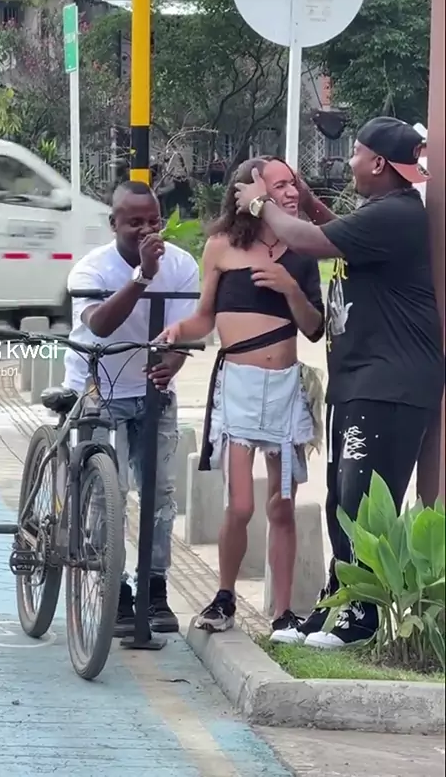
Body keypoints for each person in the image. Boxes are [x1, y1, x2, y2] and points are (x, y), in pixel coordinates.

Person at [235, 117, 444, 648]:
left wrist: (261, 206)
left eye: (355, 153)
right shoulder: (382, 213)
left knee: (363, 501)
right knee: (341, 501)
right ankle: (339, 606)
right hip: (359, 380)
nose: (348, 162)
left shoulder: (398, 214)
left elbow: (310, 241)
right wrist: (308, 202)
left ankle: (362, 619)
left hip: (390, 383)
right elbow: (337, 234)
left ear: (378, 163)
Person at [158, 157, 325, 640]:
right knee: (242, 505)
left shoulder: (302, 249)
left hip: (286, 386)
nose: (291, 192)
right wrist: (178, 331)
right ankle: (224, 595)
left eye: (293, 184)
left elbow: (314, 327)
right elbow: (204, 318)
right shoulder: (221, 247)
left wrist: (289, 288)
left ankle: (283, 614)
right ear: (250, 193)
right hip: (238, 386)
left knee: (283, 505)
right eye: (280, 185)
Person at [63, 180, 200, 637]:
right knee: (110, 492)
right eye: (134, 222)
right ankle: (114, 587)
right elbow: (100, 325)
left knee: (160, 493)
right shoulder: (91, 269)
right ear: (114, 224)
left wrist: (172, 363)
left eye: (153, 221)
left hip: (152, 389)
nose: (146, 230)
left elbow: (187, 330)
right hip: (99, 388)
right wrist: (141, 276)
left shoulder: (181, 265)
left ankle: (154, 587)